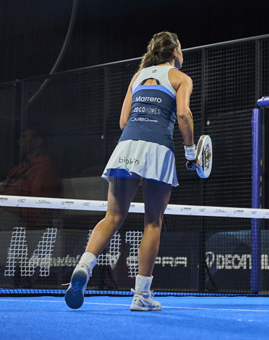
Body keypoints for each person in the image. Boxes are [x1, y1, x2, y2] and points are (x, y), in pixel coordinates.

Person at [64, 31, 197, 311]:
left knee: (112, 216)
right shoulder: (180, 78)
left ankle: (83, 267)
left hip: (126, 148)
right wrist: (190, 152)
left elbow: (124, 121)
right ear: (174, 52)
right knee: (152, 223)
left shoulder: (137, 77)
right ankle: (141, 296)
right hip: (157, 149)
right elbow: (184, 114)